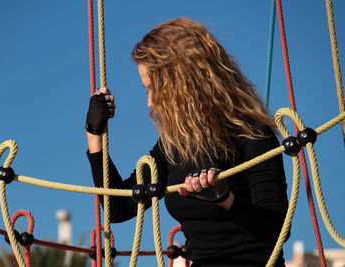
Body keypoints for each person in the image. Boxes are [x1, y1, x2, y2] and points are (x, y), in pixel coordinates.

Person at [85, 18, 289, 267]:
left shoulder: (251, 133)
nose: (149, 103)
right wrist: (94, 132)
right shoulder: (174, 145)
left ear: (181, 83)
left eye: (153, 89)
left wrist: (225, 199)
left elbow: (278, 228)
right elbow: (118, 207)